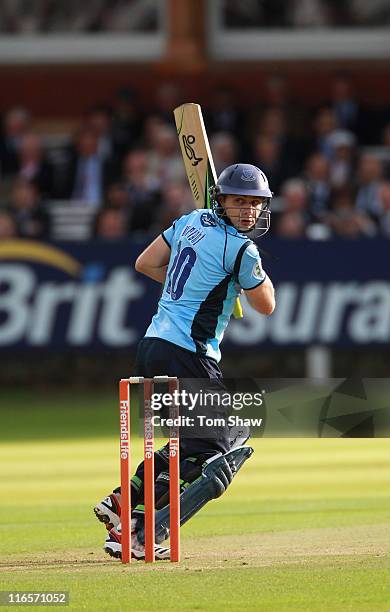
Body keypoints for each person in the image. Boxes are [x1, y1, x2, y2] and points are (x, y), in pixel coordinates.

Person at [94, 163, 276, 560]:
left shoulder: (189, 221)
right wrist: (233, 286)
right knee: (225, 443)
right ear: (222, 201)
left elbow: (146, 263)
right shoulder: (243, 249)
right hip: (188, 354)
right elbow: (266, 305)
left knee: (191, 446)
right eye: (239, 202)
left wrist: (199, 292)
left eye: (255, 204)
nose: (248, 211)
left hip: (152, 347)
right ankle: (143, 533)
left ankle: (124, 501)